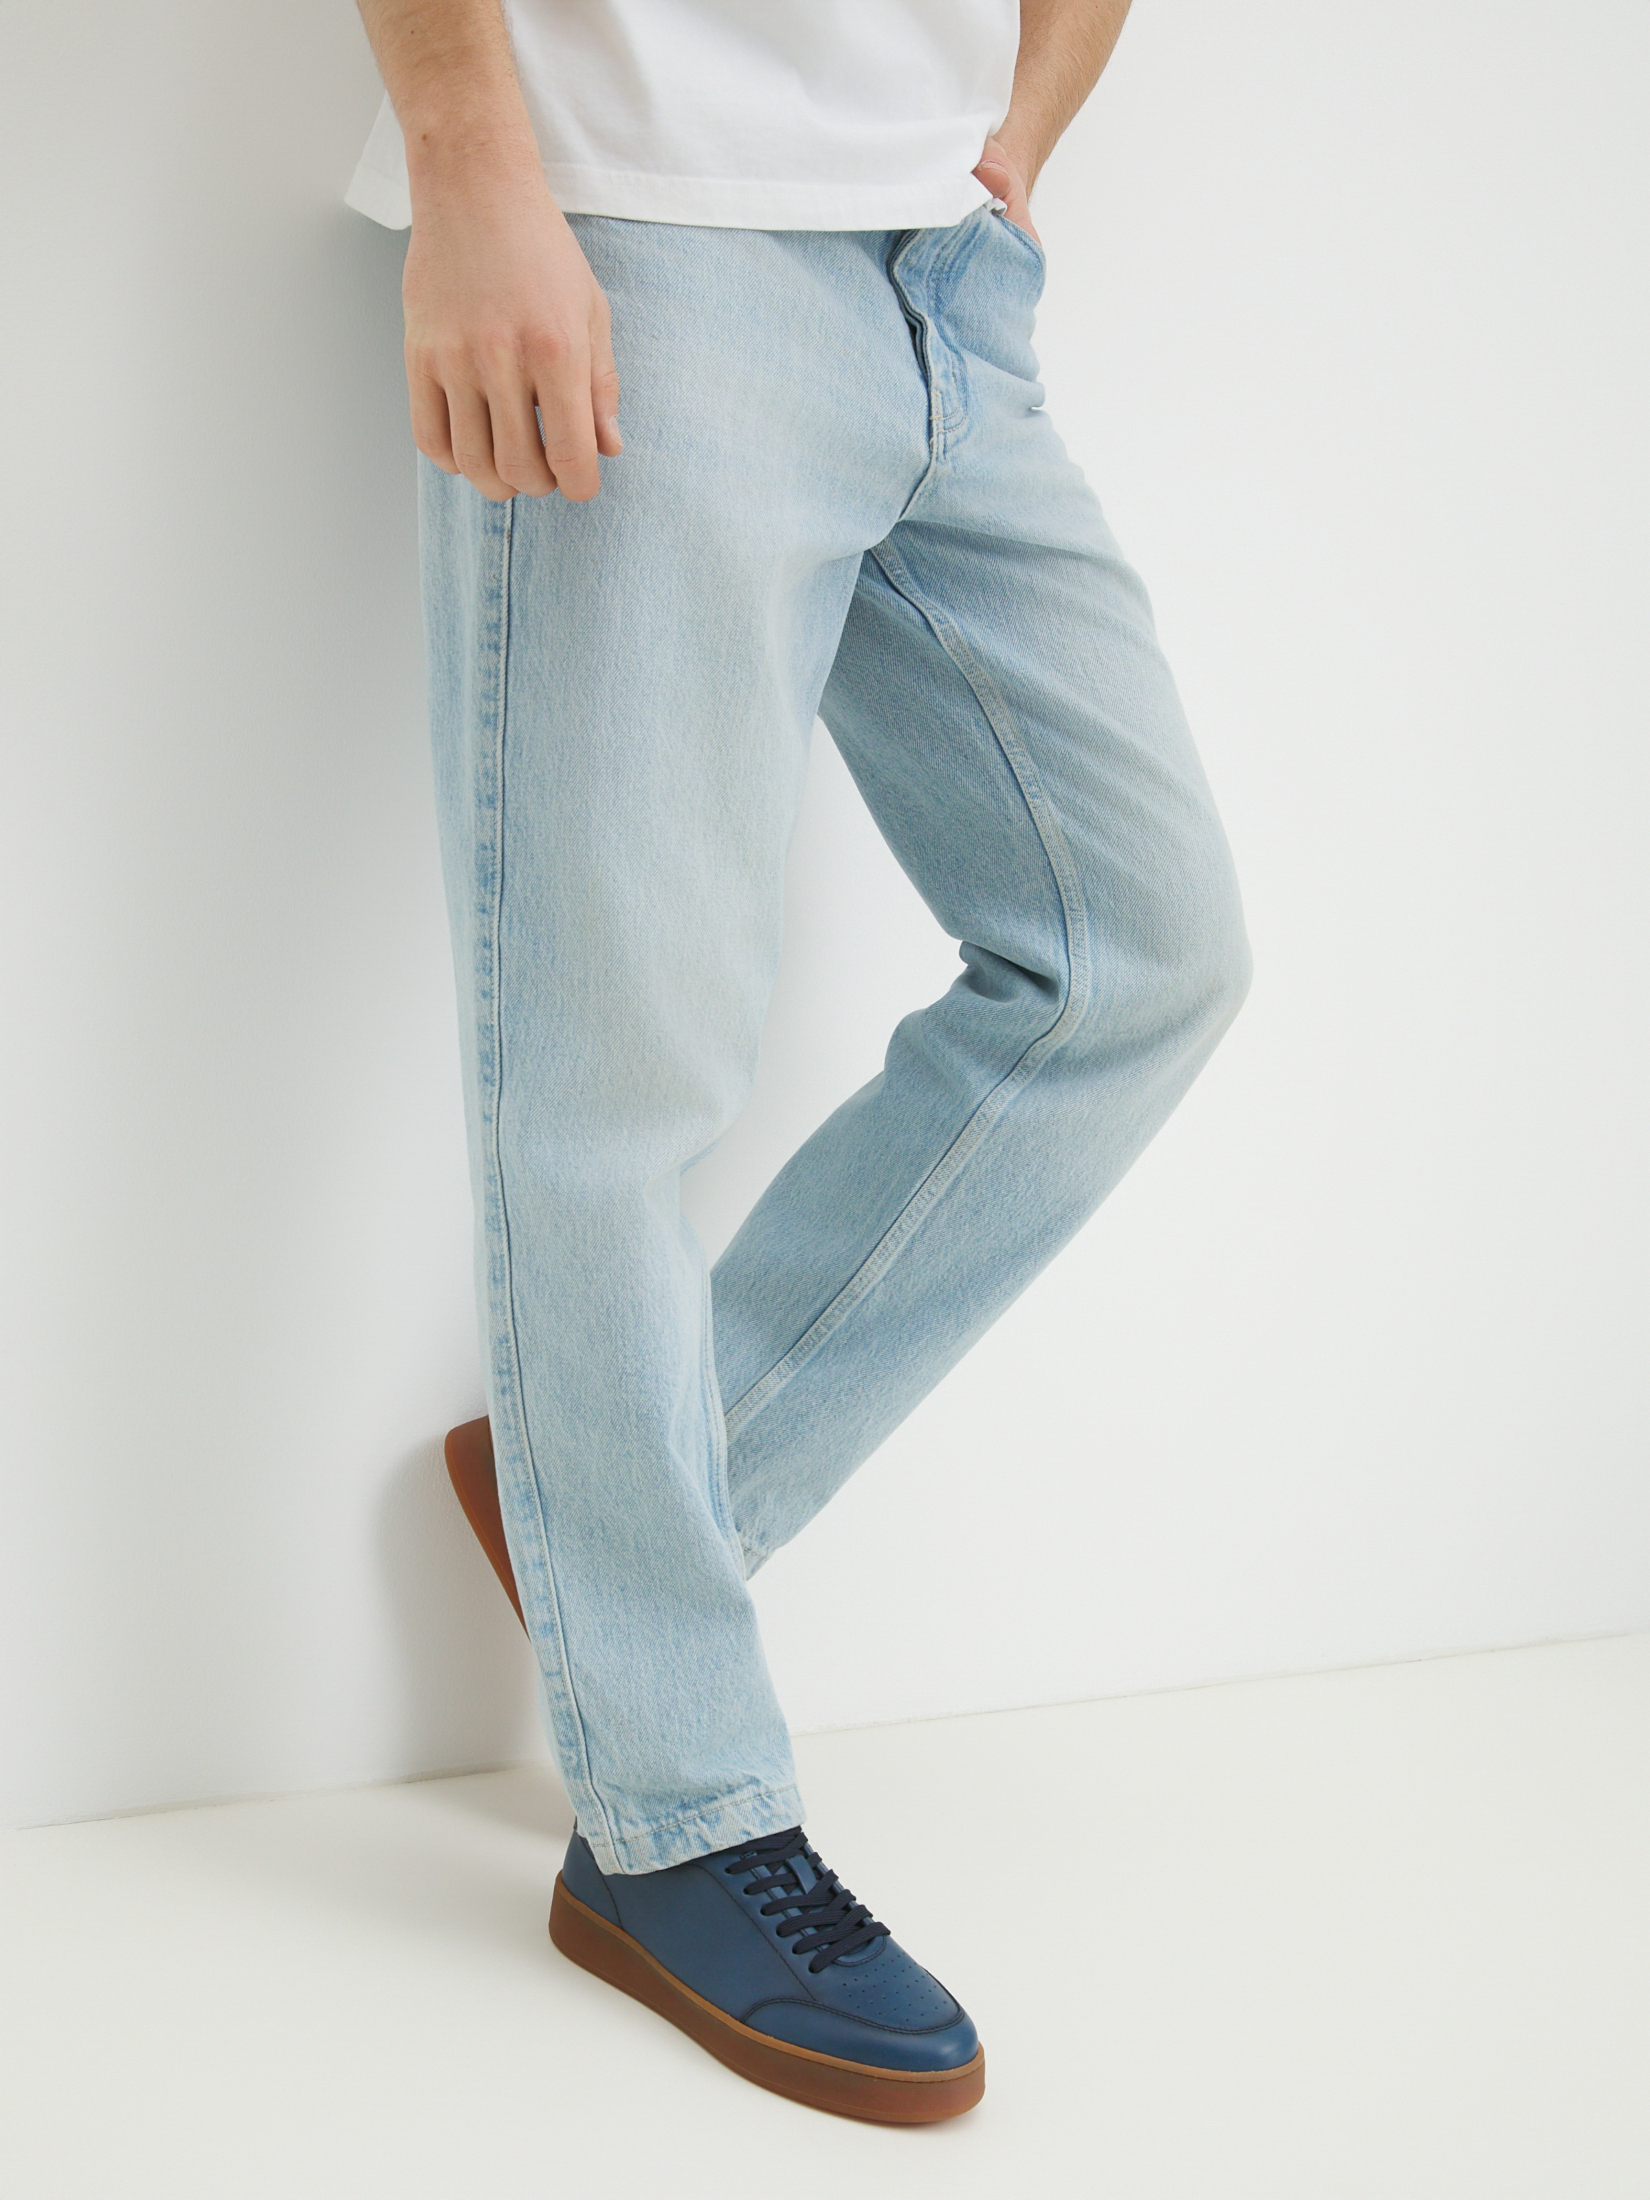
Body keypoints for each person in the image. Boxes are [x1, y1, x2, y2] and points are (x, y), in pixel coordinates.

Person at [348, 0, 1250, 2125]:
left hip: (945, 268)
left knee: (1137, 955)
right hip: (641, 228)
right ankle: (670, 1811)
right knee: (609, 1068)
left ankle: (636, 1493)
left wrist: (1020, 135)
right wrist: (478, 172)